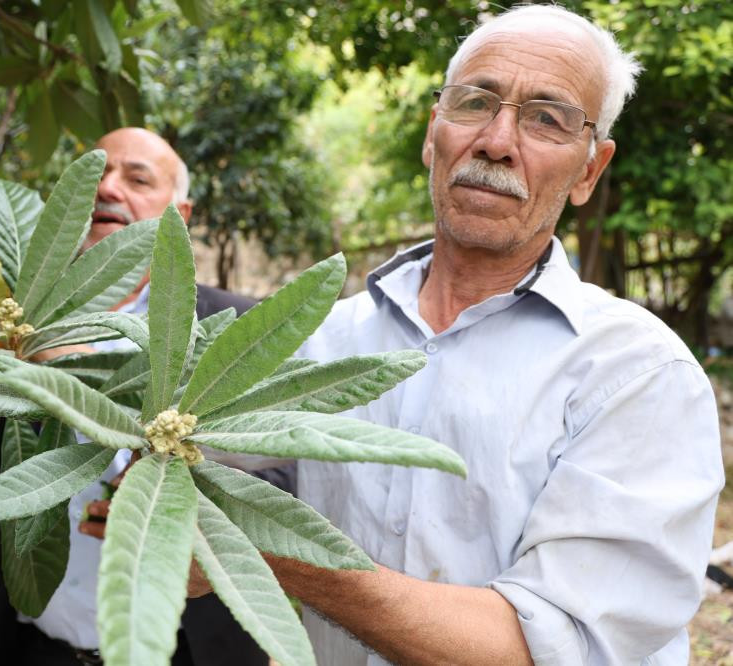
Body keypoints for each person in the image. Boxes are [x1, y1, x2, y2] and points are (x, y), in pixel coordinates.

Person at [183, 6, 723, 665]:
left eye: (546, 118)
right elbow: (190, 464)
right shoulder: (315, 342)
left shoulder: (638, 375)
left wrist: (279, 552)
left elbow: (550, 645)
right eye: (475, 102)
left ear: (588, 170)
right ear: (431, 130)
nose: (497, 141)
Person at [0, 128, 270, 666]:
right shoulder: (9, 306)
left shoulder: (238, 329)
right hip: (28, 643)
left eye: (136, 178)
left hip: (188, 649)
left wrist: (57, 365)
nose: (109, 187)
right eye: (96, 172)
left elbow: (269, 476)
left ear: (181, 211)